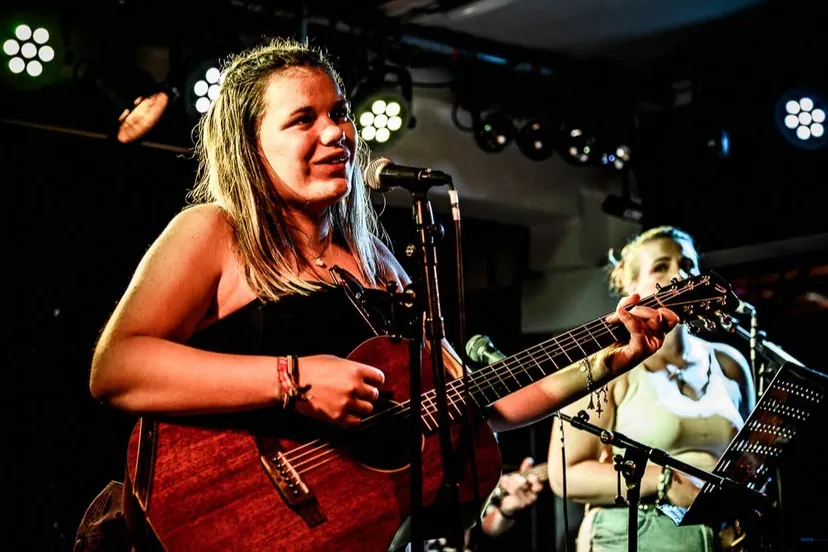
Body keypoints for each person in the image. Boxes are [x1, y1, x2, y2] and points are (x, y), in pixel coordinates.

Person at [86, 37, 678, 550]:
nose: (335, 132)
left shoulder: (380, 263)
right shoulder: (215, 232)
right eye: (302, 119)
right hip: (228, 514)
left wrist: (607, 359)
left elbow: (477, 405)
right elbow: (116, 368)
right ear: (250, 144)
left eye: (339, 113)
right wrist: (293, 379)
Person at [547, 226, 756, 552]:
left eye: (687, 264)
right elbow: (566, 474)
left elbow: (749, 455)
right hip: (637, 532)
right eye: (661, 266)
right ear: (630, 287)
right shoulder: (606, 365)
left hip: (720, 537)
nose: (679, 274)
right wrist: (664, 481)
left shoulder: (730, 363)